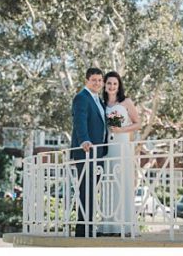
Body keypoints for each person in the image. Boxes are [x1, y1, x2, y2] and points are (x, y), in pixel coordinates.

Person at [101, 71, 143, 237]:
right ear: (105, 85)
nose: (112, 86)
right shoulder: (101, 103)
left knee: (122, 183)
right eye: (109, 83)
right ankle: (109, 226)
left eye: (115, 84)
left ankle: (124, 225)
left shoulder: (126, 102)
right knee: (109, 183)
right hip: (108, 147)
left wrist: (122, 129)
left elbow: (138, 123)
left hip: (122, 146)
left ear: (119, 86)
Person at [70, 67, 108, 237]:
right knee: (86, 190)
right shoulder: (81, 97)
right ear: (87, 80)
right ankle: (83, 229)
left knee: (93, 190)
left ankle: (90, 226)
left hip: (101, 152)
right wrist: (84, 140)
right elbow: (80, 120)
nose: (97, 83)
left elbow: (110, 124)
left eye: (100, 80)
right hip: (86, 151)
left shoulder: (100, 101)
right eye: (94, 80)